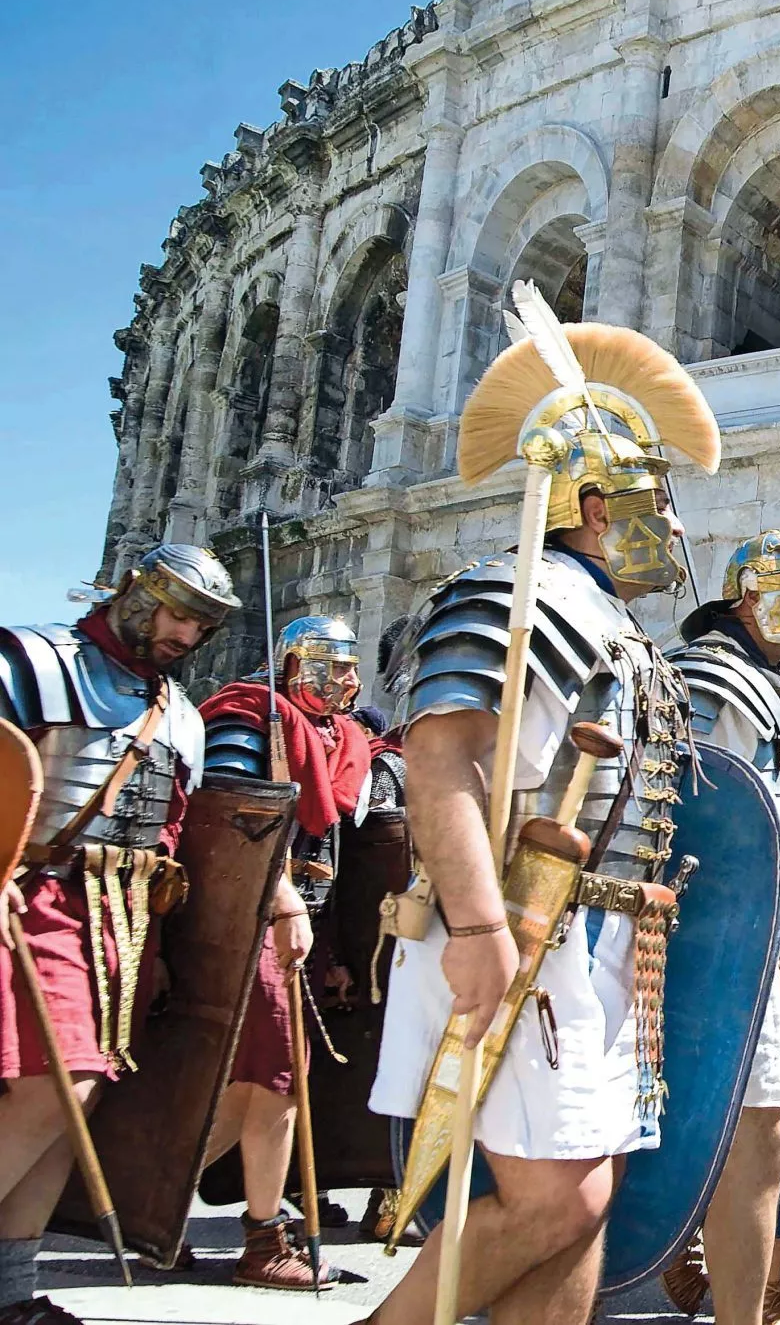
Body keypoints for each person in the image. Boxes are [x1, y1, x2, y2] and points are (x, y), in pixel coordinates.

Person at [362, 303, 716, 1325]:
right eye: (663, 501)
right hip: (522, 924)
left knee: (586, 1201)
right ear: (597, 504)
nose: (678, 528)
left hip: (594, 935)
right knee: (553, 1198)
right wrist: (476, 927)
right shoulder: (520, 590)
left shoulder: (599, 612)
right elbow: (442, 757)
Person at [0, 544, 237, 1325]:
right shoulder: (33, 662)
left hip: (122, 921)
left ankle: (11, 1293)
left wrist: (162, 949)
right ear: (134, 594)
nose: (186, 633)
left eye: (202, 624)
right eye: (176, 611)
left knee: (78, 1100)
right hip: (33, 895)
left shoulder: (180, 716)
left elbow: (167, 836)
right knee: (56, 1084)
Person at [664, 533, 780, 1325]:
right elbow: (694, 825)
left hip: (765, 948)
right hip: (701, 946)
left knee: (765, 1141)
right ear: (749, 597)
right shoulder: (710, 680)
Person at [197, 615, 373, 1289]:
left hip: (302, 925)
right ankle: (265, 1242)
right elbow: (231, 818)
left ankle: (140, 1206)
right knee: (277, 1075)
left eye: (353, 667)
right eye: (334, 666)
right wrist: (280, 901)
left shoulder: (343, 740)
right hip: (249, 918)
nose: (350, 680)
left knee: (252, 1088)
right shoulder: (249, 718)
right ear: (296, 665)